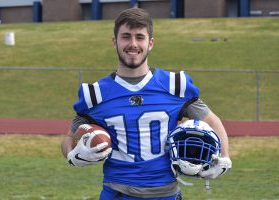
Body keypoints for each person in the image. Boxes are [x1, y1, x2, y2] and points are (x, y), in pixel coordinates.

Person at [61, 8, 232, 200]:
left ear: (150, 43)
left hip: (166, 193)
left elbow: (213, 122)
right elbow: (69, 137)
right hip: (117, 192)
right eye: (126, 37)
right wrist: (72, 154)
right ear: (114, 41)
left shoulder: (174, 85)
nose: (133, 44)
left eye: (139, 37)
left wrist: (224, 158)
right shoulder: (96, 94)